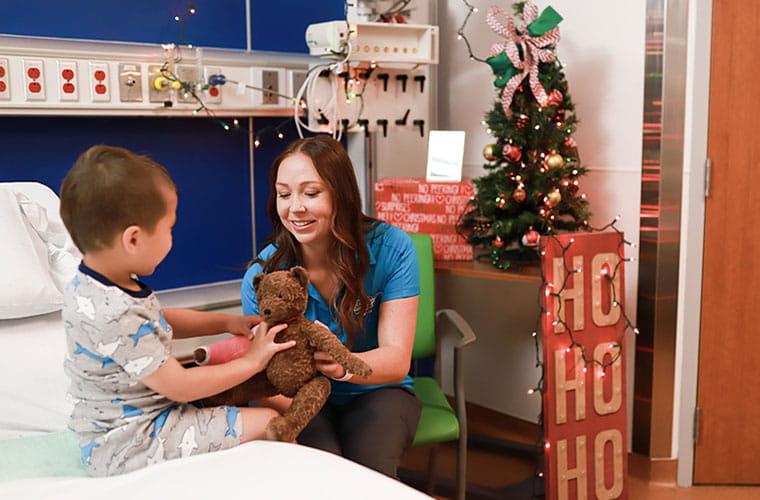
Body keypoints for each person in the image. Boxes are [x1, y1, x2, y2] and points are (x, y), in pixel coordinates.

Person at [59, 145, 295, 477]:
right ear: (134, 240)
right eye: (169, 228)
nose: (172, 238)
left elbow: (160, 319)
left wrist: (227, 321)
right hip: (131, 441)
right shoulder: (114, 313)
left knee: (266, 396)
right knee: (271, 422)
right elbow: (180, 386)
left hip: (129, 422)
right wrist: (251, 360)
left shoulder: (97, 285)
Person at [241, 134, 422, 477]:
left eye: (311, 193)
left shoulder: (393, 248)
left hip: (378, 390)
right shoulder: (263, 274)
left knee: (371, 475)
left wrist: (342, 367)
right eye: (284, 194)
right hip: (295, 399)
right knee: (324, 473)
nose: (295, 207)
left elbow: (397, 360)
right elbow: (262, 373)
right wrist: (302, 412)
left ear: (341, 194)